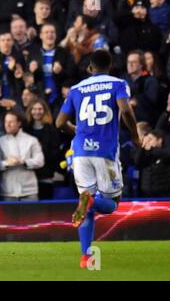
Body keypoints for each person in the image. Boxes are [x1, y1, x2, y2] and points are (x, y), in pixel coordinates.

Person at [55, 50, 140, 269]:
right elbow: (125, 109)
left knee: (87, 201)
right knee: (112, 204)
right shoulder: (118, 83)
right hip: (105, 151)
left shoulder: (76, 89)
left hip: (80, 151)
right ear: (109, 66)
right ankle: (90, 202)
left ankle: (86, 257)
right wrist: (135, 135)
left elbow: (59, 122)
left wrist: (77, 130)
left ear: (89, 68)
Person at [0, 110, 45, 201]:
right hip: (8, 191)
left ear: (19, 123)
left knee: (32, 215)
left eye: (11, 122)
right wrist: (6, 163)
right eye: (6, 122)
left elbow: (40, 161)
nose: (7, 125)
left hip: (29, 190)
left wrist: (24, 162)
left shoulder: (31, 140)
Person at [25, 99, 60, 200]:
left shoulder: (51, 130)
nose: (37, 112)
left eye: (40, 109)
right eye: (34, 109)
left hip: (46, 175)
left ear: (44, 111)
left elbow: (55, 152)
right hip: (28, 176)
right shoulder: (25, 129)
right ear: (30, 111)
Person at [134, 129, 170, 197]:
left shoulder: (165, 151)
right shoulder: (145, 154)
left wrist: (152, 149)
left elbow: (167, 154)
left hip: (164, 194)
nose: (148, 142)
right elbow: (137, 162)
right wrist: (142, 147)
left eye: (150, 139)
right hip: (147, 193)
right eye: (146, 140)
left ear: (159, 140)